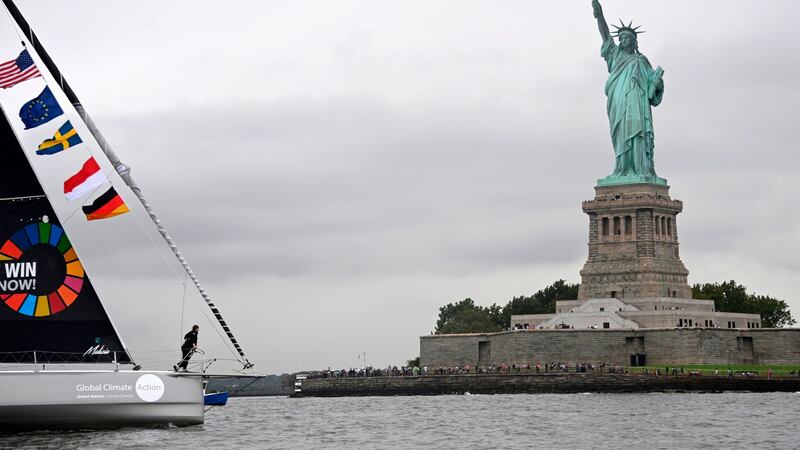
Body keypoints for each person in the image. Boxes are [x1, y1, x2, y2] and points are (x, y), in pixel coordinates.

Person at [591, 0, 664, 181]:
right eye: (621, 37)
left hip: (637, 104)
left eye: (627, 37)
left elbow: (652, 92)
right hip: (618, 100)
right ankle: (622, 168)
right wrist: (598, 13)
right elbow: (605, 34)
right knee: (621, 133)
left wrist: (657, 83)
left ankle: (641, 169)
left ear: (634, 41)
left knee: (638, 133)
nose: (623, 40)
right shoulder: (614, 55)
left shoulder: (641, 60)